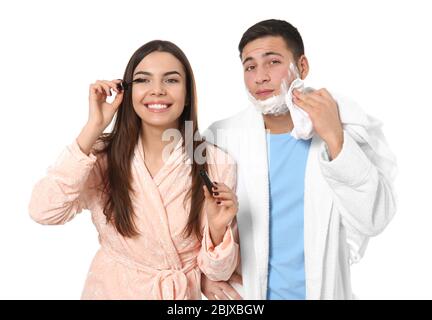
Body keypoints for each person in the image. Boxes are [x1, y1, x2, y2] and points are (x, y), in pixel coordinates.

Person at [28, 40, 240, 300]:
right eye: (143, 80)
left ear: (187, 94)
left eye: (171, 80)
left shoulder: (216, 162)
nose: (157, 90)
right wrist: (93, 127)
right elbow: (43, 212)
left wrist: (218, 232)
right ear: (126, 91)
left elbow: (219, 272)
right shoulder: (101, 156)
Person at [201, 19, 397, 300]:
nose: (260, 77)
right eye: (250, 66)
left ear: (301, 66)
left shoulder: (341, 127)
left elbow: (374, 219)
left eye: (273, 62)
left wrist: (335, 139)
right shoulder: (222, 138)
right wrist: (202, 281)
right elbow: (197, 233)